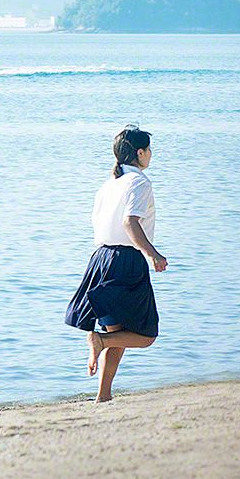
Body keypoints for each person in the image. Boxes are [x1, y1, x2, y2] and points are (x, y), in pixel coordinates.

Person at [65, 125, 167, 402]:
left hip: (100, 258)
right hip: (126, 259)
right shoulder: (139, 182)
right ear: (140, 152)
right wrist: (152, 253)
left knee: (120, 333)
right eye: (149, 150)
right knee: (145, 335)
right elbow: (129, 222)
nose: (151, 155)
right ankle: (100, 341)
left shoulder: (109, 184)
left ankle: (103, 396)